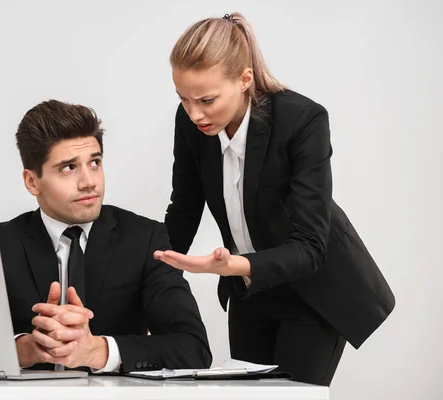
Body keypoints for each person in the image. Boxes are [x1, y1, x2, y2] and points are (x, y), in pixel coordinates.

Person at [153, 13, 395, 385]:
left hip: (313, 290)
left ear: (244, 79)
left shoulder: (302, 120)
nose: (194, 113)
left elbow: (312, 246)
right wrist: (150, 272)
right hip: (250, 291)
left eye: (207, 99)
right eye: (183, 99)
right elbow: (184, 208)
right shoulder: (190, 123)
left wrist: (236, 265)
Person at [0, 99, 211, 373]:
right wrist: (26, 349)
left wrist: (97, 351)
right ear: (32, 181)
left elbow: (194, 348)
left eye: (95, 162)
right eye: (68, 167)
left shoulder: (145, 238)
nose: (89, 181)